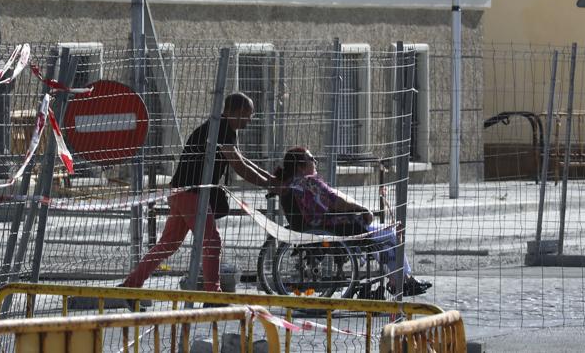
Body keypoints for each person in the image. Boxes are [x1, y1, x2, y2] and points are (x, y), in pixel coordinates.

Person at [121, 92, 275, 293]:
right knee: (211, 241)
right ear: (234, 112)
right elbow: (239, 166)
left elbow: (241, 160)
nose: (250, 119)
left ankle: (130, 287)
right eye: (247, 114)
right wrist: (268, 184)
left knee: (168, 244)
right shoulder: (220, 128)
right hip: (190, 193)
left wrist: (270, 179)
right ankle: (213, 292)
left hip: (181, 192)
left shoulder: (224, 128)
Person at [278, 146, 431, 297]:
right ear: (300, 166)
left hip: (325, 226)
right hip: (337, 227)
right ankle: (400, 281)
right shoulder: (309, 182)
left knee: (384, 233)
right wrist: (362, 209)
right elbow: (337, 201)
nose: (315, 161)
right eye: (311, 158)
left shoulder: (293, 184)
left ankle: (401, 279)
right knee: (389, 234)